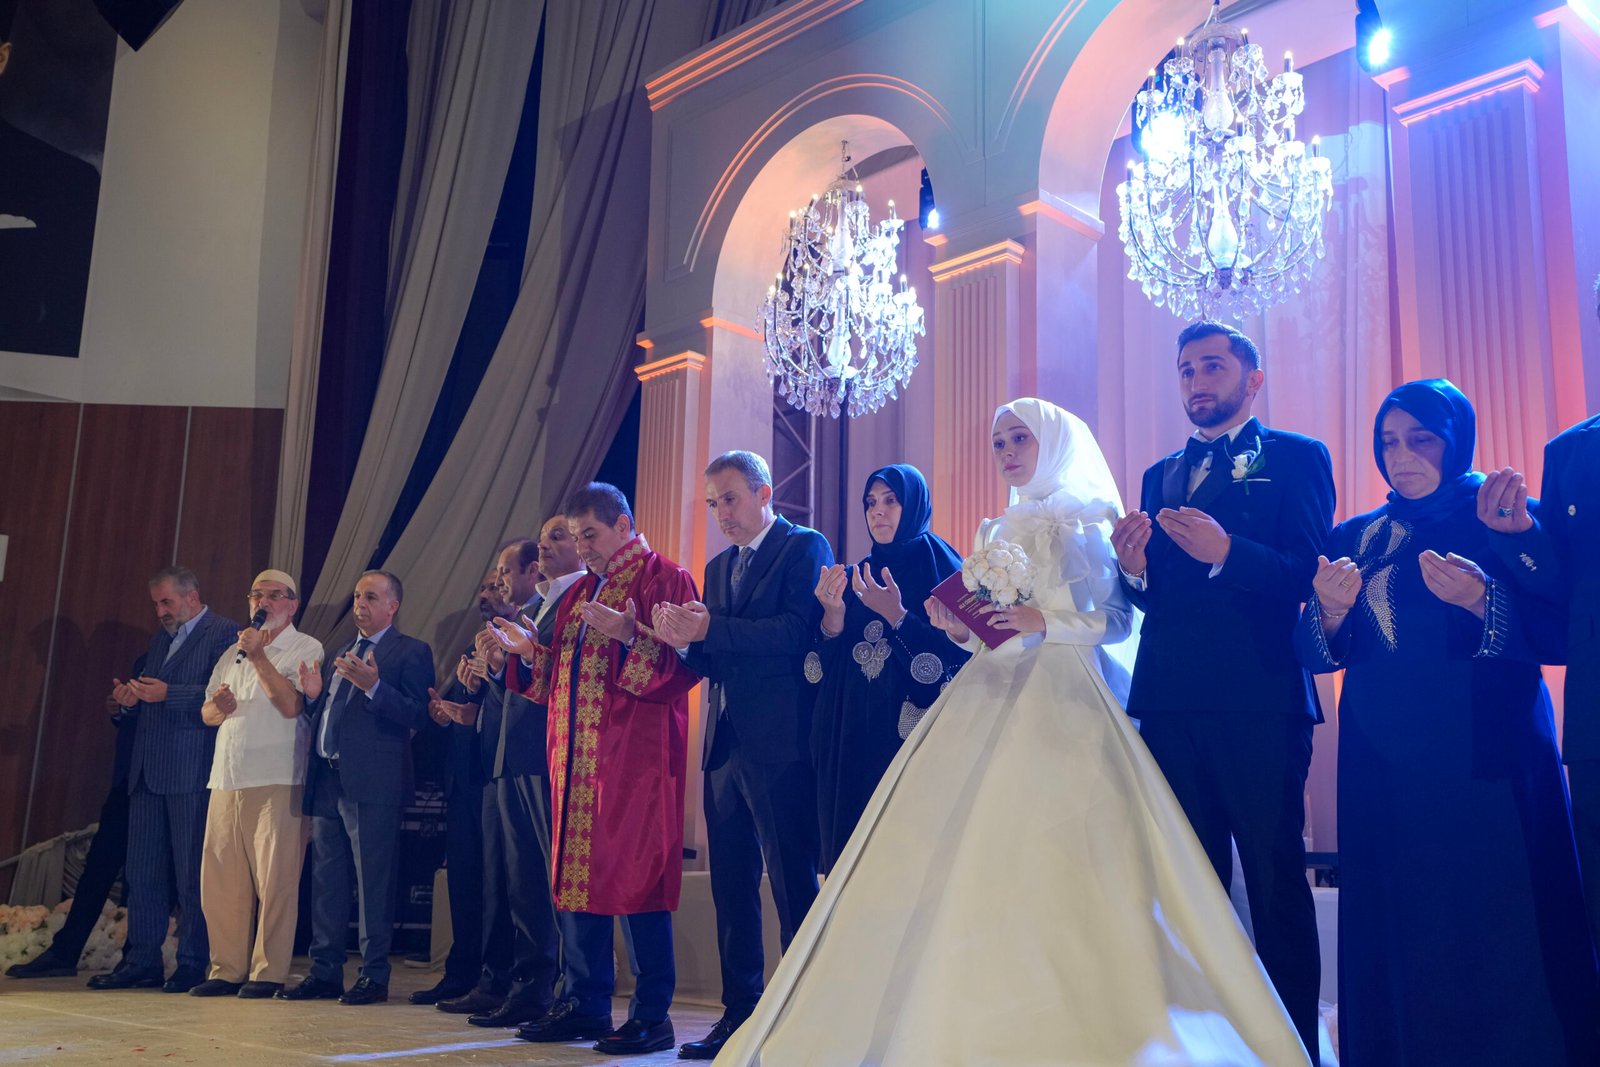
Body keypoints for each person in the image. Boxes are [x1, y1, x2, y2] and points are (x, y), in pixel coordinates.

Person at [716, 399, 1308, 1066]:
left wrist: (1044, 623)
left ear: (1053, 440)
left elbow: (1119, 621)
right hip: (988, 692)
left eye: (1020, 438)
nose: (1007, 453)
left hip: (1069, 696)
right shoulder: (995, 526)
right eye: (999, 442)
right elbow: (987, 637)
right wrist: (958, 626)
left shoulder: (1092, 517)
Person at [1294, 379, 1599, 1065]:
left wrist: (1483, 599)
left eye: (1420, 439)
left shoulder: (1506, 517)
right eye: (1388, 442)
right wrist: (1331, 611)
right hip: (1384, 767)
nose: (1400, 456)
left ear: (1455, 439)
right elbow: (1311, 651)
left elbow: (1562, 632)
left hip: (1489, 762)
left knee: (1504, 921)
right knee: (1404, 923)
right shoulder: (1356, 536)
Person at [1112, 320, 1332, 1058]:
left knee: (1273, 880)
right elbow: (1154, 600)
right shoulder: (1159, 474)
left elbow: (1307, 572)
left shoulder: (1298, 457)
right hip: (1169, 699)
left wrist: (1229, 551)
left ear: (1252, 380)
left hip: (1259, 699)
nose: (1196, 381)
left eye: (1211, 366)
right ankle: (1209, 1045)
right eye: (1185, 369)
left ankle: (1293, 1046)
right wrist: (1133, 570)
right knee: (1189, 886)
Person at [491, 483, 700, 1056]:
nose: (583, 548)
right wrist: (527, 654)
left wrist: (630, 634)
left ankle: (652, 1015)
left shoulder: (666, 579)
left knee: (637, 880)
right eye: (576, 536)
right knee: (577, 880)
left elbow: (682, 670)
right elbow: (556, 679)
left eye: (591, 534)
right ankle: (584, 1003)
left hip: (635, 765)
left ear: (623, 525)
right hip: (576, 762)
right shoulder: (583, 591)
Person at [645, 451, 831, 1060]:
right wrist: (679, 642)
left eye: (729, 498)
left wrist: (709, 631)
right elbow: (715, 657)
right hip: (724, 745)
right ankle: (739, 1014)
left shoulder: (804, 546)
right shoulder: (718, 566)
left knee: (791, 882)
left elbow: (795, 633)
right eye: (712, 504)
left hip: (780, 742)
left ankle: (805, 1016)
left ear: (764, 492)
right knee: (732, 888)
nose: (720, 513)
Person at [443, 526, 584, 1028]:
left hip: (546, 754)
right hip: (508, 755)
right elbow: (518, 686)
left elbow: (561, 680)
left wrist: (509, 663)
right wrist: (496, 670)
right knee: (520, 886)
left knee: (549, 884)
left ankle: (564, 991)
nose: (545, 547)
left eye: (559, 537)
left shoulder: (579, 600)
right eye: (543, 539)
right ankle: (526, 989)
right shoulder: (534, 609)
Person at [281, 570, 434, 1006]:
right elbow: (332, 714)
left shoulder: (411, 651)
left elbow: (419, 715)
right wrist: (314, 696)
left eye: (370, 597)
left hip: (374, 782)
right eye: (356, 596)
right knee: (327, 880)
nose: (360, 605)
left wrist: (375, 687)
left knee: (373, 881)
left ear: (392, 606)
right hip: (329, 777)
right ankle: (324, 971)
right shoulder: (341, 651)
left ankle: (374, 974)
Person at [807, 463, 968, 870]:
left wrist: (897, 617)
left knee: (907, 861)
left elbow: (963, 662)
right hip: (852, 736)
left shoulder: (947, 570)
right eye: (870, 502)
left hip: (912, 740)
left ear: (913, 505)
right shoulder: (852, 577)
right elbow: (816, 672)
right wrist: (832, 619)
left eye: (891, 501)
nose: (877, 511)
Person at [87, 568, 238, 993]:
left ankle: (193, 962)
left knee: (191, 875)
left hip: (190, 769)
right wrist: (129, 701)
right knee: (142, 873)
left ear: (192, 596)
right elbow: (150, 695)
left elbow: (226, 695)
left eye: (167, 602)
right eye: (156, 604)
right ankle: (142, 960)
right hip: (147, 771)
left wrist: (168, 693)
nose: (160, 611)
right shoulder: (162, 638)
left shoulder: (224, 633)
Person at [192, 570, 323, 998]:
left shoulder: (305, 647)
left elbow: (291, 706)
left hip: (278, 775)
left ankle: (268, 972)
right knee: (221, 880)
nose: (262, 602)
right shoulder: (232, 651)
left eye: (273, 595)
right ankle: (226, 969)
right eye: (256, 595)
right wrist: (218, 706)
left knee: (276, 880)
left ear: (292, 604)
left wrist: (260, 656)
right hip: (227, 776)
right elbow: (207, 714)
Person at [6, 654, 144, 979]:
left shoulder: (200, 649)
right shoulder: (147, 657)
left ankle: (139, 959)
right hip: (126, 781)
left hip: (163, 783)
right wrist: (122, 710)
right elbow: (137, 718)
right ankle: (64, 952)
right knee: (97, 868)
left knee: (147, 877)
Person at [410, 568, 507, 1008]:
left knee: (497, 885)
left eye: (496, 586)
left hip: (498, 775)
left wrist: (472, 709)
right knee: (464, 880)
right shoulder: (473, 645)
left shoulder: (522, 639)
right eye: (483, 587)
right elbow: (466, 705)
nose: (487, 593)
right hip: (465, 776)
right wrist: (446, 712)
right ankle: (461, 971)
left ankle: (496, 977)